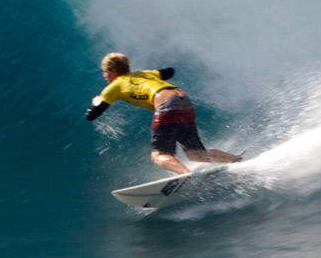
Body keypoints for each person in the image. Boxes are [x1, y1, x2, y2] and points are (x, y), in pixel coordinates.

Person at [84, 52, 240, 175]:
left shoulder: (114, 87)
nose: (104, 76)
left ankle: (188, 176)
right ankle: (238, 161)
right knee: (196, 154)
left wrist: (95, 101)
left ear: (113, 71)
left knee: (158, 155)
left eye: (105, 72)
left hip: (166, 105)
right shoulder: (144, 74)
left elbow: (91, 115)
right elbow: (169, 71)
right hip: (184, 101)